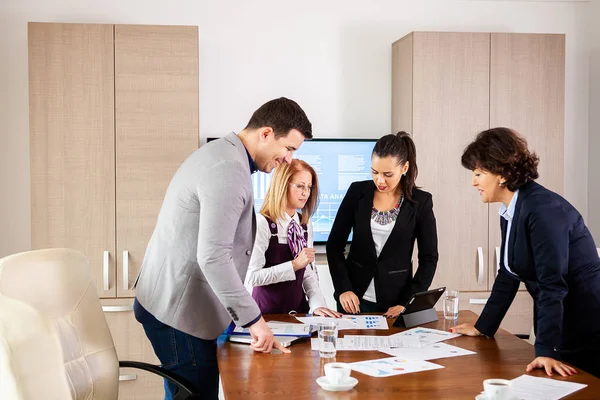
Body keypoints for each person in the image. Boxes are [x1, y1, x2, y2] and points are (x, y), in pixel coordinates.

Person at [133, 97, 313, 400]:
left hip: (173, 301)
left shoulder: (224, 155)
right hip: (180, 311)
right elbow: (213, 258)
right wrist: (254, 321)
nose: (288, 159)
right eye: (288, 148)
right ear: (266, 134)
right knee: (195, 395)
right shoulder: (229, 170)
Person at [452, 127, 600, 378]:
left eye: (478, 173)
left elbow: (553, 285)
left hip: (587, 329)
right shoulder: (513, 208)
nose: (473, 182)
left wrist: (547, 350)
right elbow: (509, 273)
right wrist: (483, 326)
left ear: (501, 174)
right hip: (563, 324)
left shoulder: (543, 211)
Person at [326, 132, 439, 318]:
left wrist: (407, 302)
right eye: (374, 172)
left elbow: (429, 258)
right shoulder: (357, 192)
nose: (380, 180)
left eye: (388, 174)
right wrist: (342, 289)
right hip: (353, 299)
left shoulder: (421, 202)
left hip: (395, 303)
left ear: (404, 168)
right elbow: (334, 245)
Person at [245, 159, 342, 318]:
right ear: (282, 185)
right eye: (300, 186)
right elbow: (252, 277)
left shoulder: (305, 224)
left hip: (299, 313)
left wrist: (318, 305)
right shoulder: (263, 223)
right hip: (266, 316)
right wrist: (294, 265)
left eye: (309, 187)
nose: (306, 193)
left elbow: (309, 273)